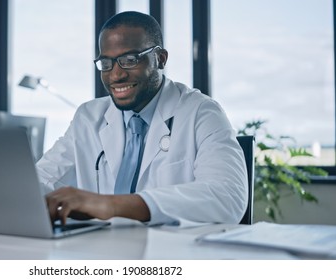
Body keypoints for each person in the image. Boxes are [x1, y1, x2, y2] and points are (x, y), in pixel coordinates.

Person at [36, 11, 248, 227]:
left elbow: (228, 196)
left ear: (160, 59)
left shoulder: (202, 112)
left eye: (129, 60)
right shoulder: (88, 117)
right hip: (101, 250)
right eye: (106, 63)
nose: (116, 75)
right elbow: (40, 180)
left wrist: (111, 206)